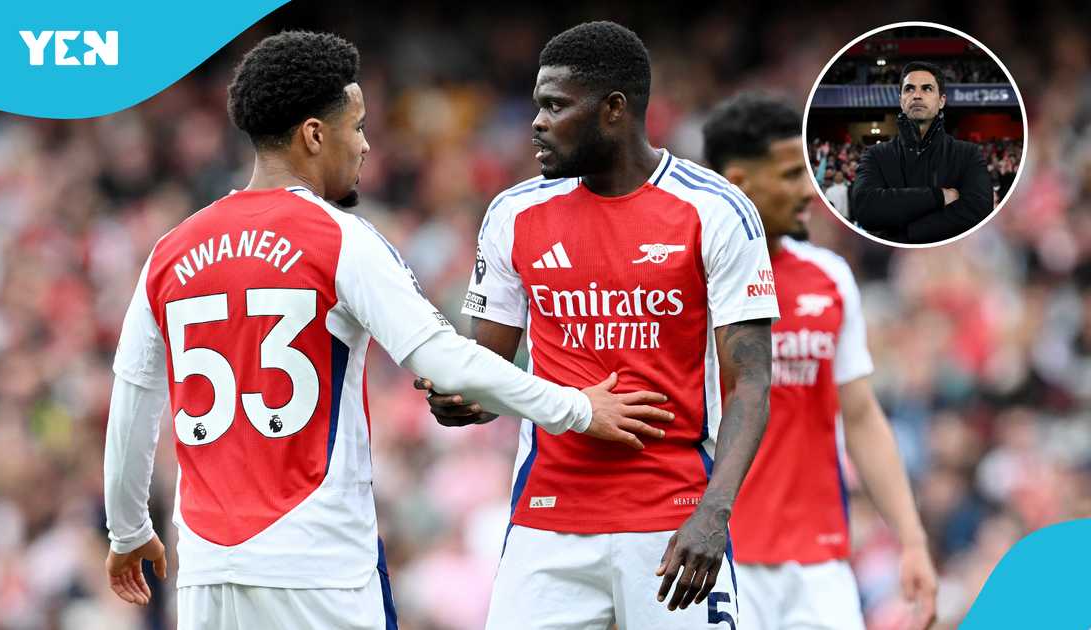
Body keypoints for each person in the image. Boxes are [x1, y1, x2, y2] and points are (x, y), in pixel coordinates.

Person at [101, 30, 675, 630]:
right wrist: (577, 407)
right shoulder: (338, 238)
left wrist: (129, 530)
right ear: (314, 135)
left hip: (206, 575)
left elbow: (133, 404)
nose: (366, 146)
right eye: (357, 127)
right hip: (320, 570)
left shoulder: (169, 252)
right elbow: (445, 361)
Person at [416, 21, 778, 629]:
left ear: (614, 109)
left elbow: (752, 381)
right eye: (538, 105)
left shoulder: (714, 209)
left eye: (556, 105)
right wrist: (462, 399)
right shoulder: (514, 214)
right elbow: (490, 371)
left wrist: (714, 513)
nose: (536, 121)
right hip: (547, 522)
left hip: (673, 519)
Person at [702, 92, 938, 629]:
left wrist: (912, 540)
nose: (809, 189)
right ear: (739, 182)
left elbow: (859, 416)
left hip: (821, 563)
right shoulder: (690, 286)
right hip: (716, 558)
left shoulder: (829, 278)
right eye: (790, 175)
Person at [851, 61, 993, 244]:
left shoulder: (968, 154)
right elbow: (865, 209)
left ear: (941, 101)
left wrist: (906, 233)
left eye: (927, 89)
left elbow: (978, 211)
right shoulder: (875, 155)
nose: (917, 95)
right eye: (909, 89)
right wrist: (939, 196)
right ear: (901, 100)